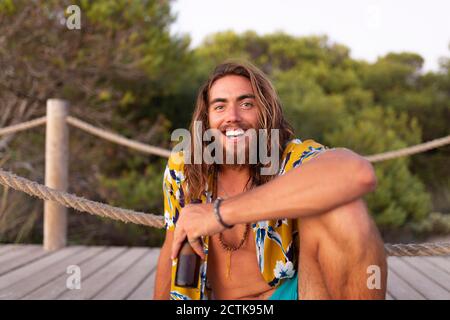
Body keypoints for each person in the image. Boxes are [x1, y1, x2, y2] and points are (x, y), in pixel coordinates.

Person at [153, 60, 387, 300]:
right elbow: (171, 249)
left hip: (294, 294)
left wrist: (219, 214)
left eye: (246, 104)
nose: (232, 117)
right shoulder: (185, 170)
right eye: (220, 107)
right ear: (206, 120)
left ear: (265, 112)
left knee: (345, 209)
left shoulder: (289, 160)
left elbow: (357, 173)